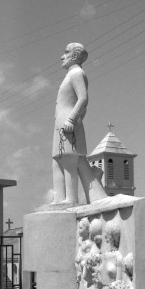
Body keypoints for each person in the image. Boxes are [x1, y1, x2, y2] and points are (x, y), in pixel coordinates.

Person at [52, 43, 89, 205]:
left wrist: (73, 119)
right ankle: (59, 198)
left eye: (66, 52)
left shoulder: (77, 73)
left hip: (68, 122)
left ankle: (71, 199)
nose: (62, 56)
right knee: (57, 160)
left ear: (74, 56)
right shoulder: (70, 74)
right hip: (61, 123)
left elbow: (83, 99)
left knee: (68, 161)